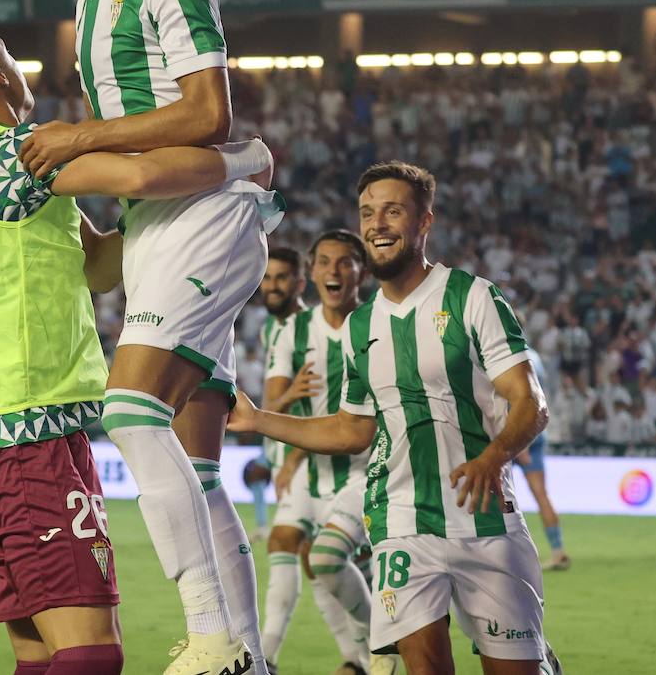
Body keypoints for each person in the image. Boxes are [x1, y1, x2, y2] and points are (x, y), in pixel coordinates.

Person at [0, 17, 273, 675]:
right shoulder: (11, 152)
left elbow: (101, 265)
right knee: (92, 656)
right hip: (28, 436)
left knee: (41, 655)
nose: (21, 71)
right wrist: (246, 161)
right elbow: (137, 178)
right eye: (11, 59)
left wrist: (160, 233)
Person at [25, 0, 281, 675]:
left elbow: (212, 114)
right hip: (160, 227)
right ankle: (248, 650)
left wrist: (79, 137)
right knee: (196, 463)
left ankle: (211, 634)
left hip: (204, 220)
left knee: (129, 409)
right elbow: (144, 139)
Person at [229, 161, 553, 675]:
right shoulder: (361, 326)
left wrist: (493, 456)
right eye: (367, 212)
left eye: (393, 211)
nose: (377, 223)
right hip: (400, 521)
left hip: (486, 519)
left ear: (424, 222)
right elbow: (351, 429)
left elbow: (530, 402)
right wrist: (258, 420)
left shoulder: (473, 297)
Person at [262, 231, 375, 674]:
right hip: (309, 467)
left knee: (326, 561)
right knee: (293, 548)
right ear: (313, 272)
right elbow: (271, 405)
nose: (333, 270)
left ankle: (370, 649)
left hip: (363, 470)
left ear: (360, 272)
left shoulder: (376, 323)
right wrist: (291, 397)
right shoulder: (294, 330)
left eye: (344, 262)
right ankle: (270, 656)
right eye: (324, 262)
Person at [249, 248, 309, 537]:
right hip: (277, 444)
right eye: (267, 278)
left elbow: (319, 403)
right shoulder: (269, 328)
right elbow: (275, 391)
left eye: (281, 278)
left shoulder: (312, 330)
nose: (271, 286)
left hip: (305, 448)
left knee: (298, 549)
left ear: (300, 283)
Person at [513, 348, 570, 571]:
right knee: (541, 495)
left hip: (515, 434)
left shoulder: (508, 354)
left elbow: (518, 398)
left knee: (497, 496)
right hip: (537, 431)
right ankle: (558, 551)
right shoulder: (535, 356)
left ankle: (500, 556)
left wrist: (521, 443)